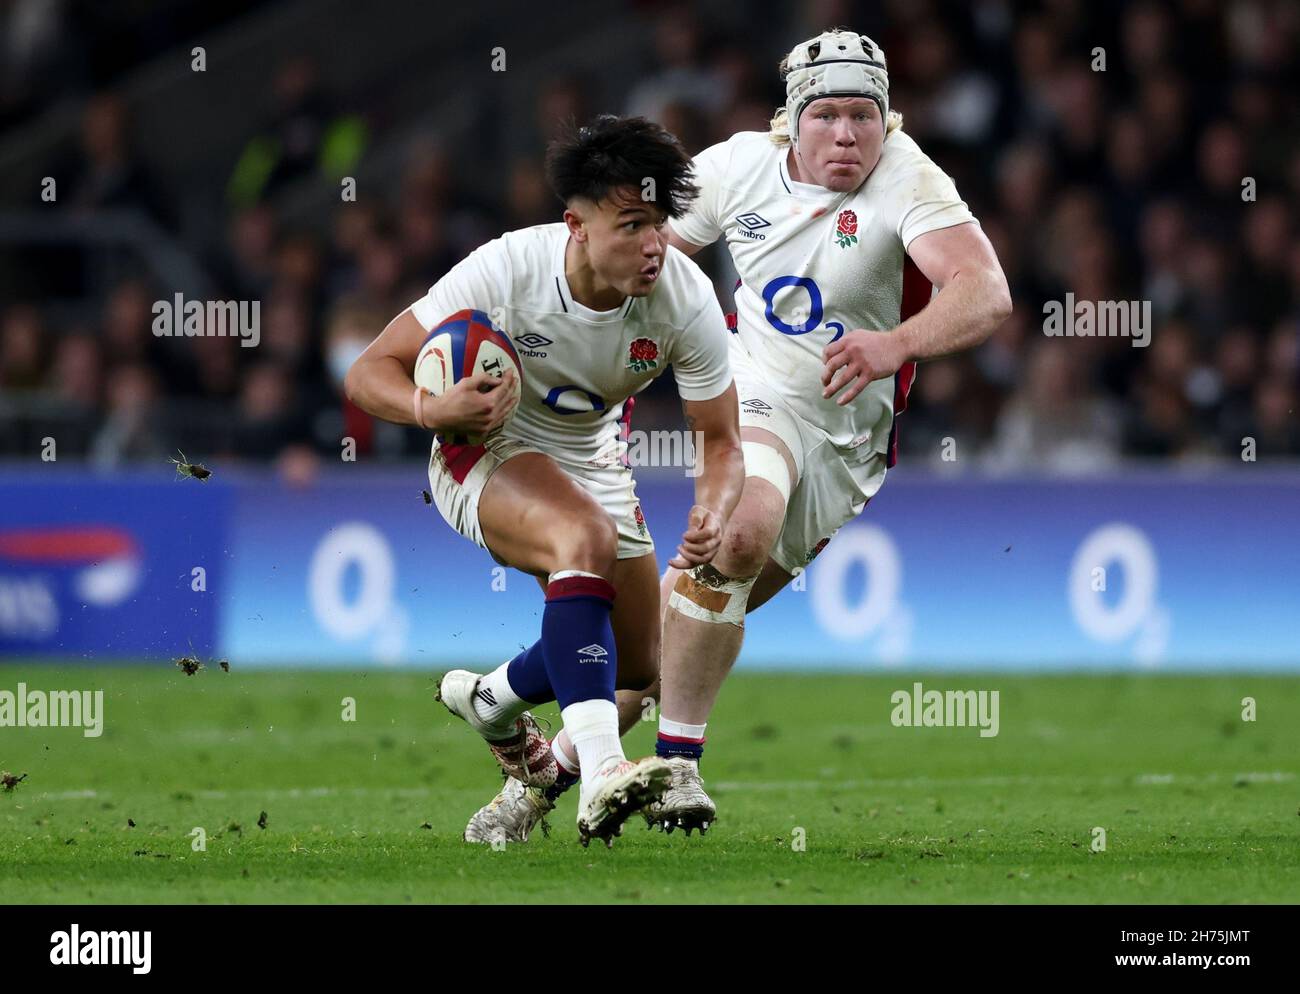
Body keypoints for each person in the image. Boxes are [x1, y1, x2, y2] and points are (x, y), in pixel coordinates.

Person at [644, 28, 1012, 833]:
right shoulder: (734, 166)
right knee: (739, 535)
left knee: (680, 626)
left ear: (888, 120)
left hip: (848, 441)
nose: (847, 135)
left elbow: (985, 291)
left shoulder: (909, 178)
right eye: (826, 116)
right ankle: (677, 767)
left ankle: (546, 756)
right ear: (792, 120)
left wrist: (896, 343)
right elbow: (639, 249)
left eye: (863, 115)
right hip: (755, 385)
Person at [344, 115, 743, 847]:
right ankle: (599, 777)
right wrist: (431, 407)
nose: (653, 243)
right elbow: (368, 371)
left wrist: (713, 509)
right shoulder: (506, 270)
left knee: (640, 667)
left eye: (659, 223)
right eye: (630, 225)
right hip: (486, 448)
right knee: (581, 536)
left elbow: (720, 440)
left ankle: (492, 700)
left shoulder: (685, 298)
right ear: (577, 225)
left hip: (594, 458)